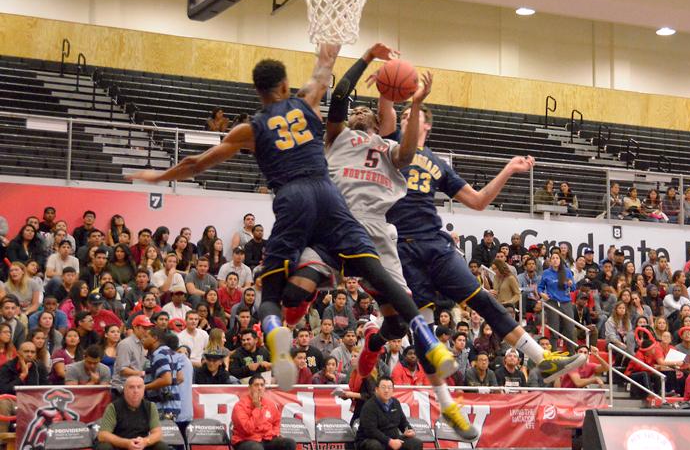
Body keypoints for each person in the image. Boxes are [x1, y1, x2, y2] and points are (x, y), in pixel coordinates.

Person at [129, 44, 455, 395]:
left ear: (258, 91)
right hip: (329, 197)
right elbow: (326, 75)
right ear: (285, 86)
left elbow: (196, 163)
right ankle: (428, 340)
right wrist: (346, 52)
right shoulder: (308, 105)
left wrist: (159, 176)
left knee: (271, 289)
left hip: (297, 199)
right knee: (372, 276)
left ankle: (276, 334)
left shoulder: (250, 129)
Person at [377, 96, 584, 380]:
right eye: (403, 116)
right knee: (422, 319)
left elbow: (478, 201)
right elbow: (385, 110)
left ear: (427, 126)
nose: (406, 118)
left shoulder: (438, 163)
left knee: (484, 300)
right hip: (400, 246)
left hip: (435, 243)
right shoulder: (391, 145)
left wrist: (508, 170)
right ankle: (436, 377)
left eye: (413, 115)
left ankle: (542, 359)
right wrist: (389, 92)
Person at [97, 376, 168, 450]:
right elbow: (103, 435)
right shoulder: (113, 407)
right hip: (119, 445)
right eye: (131, 387)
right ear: (124, 390)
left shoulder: (150, 406)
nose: (136, 391)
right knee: (104, 447)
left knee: (162, 446)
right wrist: (126, 443)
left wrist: (145, 441)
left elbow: (158, 433)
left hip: (142, 445)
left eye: (139, 387)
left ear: (143, 390)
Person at [355, 376, 421, 450]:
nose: (386, 390)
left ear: (393, 390)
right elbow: (371, 431)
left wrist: (409, 430)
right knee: (375, 446)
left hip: (392, 439)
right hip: (370, 440)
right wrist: (389, 441)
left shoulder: (395, 402)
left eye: (389, 388)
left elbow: (403, 422)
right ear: (376, 389)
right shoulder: (369, 406)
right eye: (383, 387)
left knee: (415, 443)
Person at [231, 374, 295, 450]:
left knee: (289, 443)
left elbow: (276, 423)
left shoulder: (270, 404)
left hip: (266, 438)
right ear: (250, 388)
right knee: (256, 448)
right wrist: (257, 408)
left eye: (262, 385)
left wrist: (272, 433)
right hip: (246, 439)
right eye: (256, 385)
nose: (259, 388)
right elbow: (247, 429)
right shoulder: (240, 406)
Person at [537, 251, 576, 352]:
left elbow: (574, 288)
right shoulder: (546, 273)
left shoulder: (567, 271)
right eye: (553, 258)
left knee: (570, 329)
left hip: (566, 302)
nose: (555, 260)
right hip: (552, 303)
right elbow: (540, 287)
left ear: (560, 260)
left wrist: (571, 284)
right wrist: (542, 294)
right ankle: (553, 353)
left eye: (557, 258)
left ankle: (572, 353)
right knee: (554, 330)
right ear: (550, 261)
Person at [142, 327, 181, 419]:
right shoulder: (172, 352)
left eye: (146, 337)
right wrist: (169, 389)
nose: (142, 339)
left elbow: (166, 380)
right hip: (173, 405)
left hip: (161, 407)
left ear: (155, 338)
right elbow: (180, 377)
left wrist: (144, 387)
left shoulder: (159, 354)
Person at [112, 315, 154, 393]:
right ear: (135, 327)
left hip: (136, 386)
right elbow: (123, 369)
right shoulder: (125, 344)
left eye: (148, 328)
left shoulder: (144, 344)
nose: (147, 331)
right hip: (122, 388)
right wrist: (141, 373)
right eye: (144, 328)